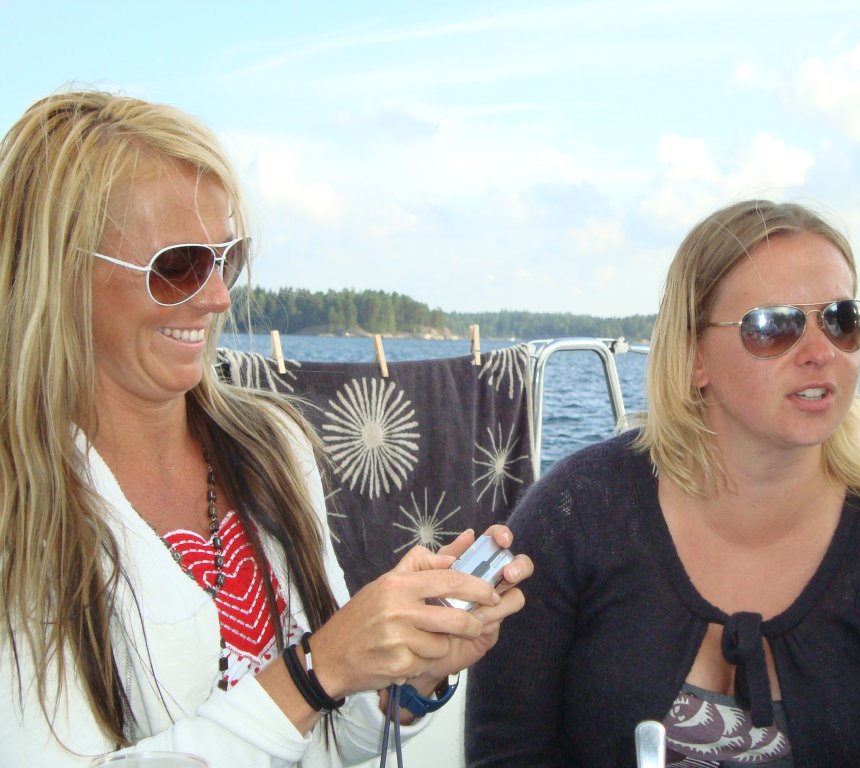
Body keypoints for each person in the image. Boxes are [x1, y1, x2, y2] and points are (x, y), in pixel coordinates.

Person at [0, 89, 532, 767]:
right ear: (58, 274)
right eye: (179, 265)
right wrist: (318, 668)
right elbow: (312, 683)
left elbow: (323, 733)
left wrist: (409, 673)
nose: (218, 295)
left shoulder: (271, 447)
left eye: (227, 257)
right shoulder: (21, 508)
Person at [466, 200, 860, 767]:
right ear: (694, 356)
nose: (820, 353)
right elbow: (505, 752)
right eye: (774, 325)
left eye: (842, 320)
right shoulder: (575, 516)